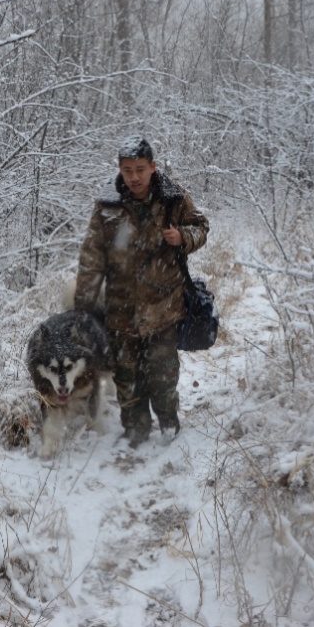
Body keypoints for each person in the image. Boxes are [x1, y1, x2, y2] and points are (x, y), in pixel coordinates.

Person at [74, 134, 209, 447]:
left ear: (153, 167)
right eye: (127, 170)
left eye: (139, 169)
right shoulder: (107, 205)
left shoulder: (173, 198)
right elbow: (91, 257)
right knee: (127, 376)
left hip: (164, 304)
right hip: (121, 309)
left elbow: (201, 226)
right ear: (119, 170)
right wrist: (84, 305)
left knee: (162, 374)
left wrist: (183, 236)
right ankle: (135, 430)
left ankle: (168, 426)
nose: (133, 177)